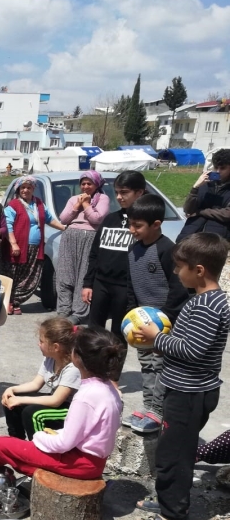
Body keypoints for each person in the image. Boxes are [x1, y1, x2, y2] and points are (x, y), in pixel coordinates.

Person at [132, 234, 230, 520]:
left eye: (180, 267)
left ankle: (173, 516)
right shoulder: (204, 300)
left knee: (176, 456)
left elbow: (192, 350)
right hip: (183, 389)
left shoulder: (207, 306)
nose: (176, 272)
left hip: (190, 393)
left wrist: (156, 338)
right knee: (169, 450)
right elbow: (188, 343)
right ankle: (165, 501)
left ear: (199, 270)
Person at [0, 327, 124, 480]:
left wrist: (38, 437)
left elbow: (64, 443)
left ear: (77, 357)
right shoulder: (109, 388)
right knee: (19, 447)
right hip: (93, 462)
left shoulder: (86, 396)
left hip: (78, 463)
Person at [123, 194, 189, 433]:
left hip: (163, 326)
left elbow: (178, 288)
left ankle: (158, 412)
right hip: (141, 324)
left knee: (160, 366)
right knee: (146, 365)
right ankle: (148, 406)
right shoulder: (133, 250)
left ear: (156, 224)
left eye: (137, 225)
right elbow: (132, 285)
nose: (132, 230)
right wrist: (132, 313)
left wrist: (164, 319)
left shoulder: (167, 250)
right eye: (130, 224)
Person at [82, 170, 147, 340]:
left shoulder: (143, 223)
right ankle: (93, 366)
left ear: (139, 192)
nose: (119, 197)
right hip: (101, 283)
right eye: (117, 192)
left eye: (124, 192)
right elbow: (95, 253)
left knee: (119, 334)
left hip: (125, 287)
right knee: (94, 331)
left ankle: (114, 367)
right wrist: (88, 283)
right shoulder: (110, 219)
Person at [0, 317, 80, 440]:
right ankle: (16, 443)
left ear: (55, 347)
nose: (39, 344)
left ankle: (37, 450)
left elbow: (56, 400)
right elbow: (35, 384)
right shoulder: (50, 358)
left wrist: (21, 400)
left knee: (32, 414)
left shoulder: (72, 368)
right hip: (58, 403)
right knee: (11, 401)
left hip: (71, 410)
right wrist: (12, 390)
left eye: (41, 341)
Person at [5, 176, 65, 315]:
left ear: (33, 189)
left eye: (29, 187)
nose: (26, 190)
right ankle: (9, 301)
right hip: (18, 247)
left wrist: (64, 228)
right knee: (15, 275)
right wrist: (13, 244)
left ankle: (17, 301)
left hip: (36, 248)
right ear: (18, 189)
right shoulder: (13, 205)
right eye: (23, 187)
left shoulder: (38, 204)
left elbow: (49, 219)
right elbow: (8, 225)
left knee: (30, 276)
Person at [56, 170, 110, 324]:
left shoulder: (102, 198)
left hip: (90, 237)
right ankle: (64, 308)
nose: (85, 187)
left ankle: (79, 313)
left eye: (89, 183)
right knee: (65, 274)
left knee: (83, 274)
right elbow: (64, 218)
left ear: (96, 184)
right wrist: (77, 204)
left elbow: (97, 218)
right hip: (70, 237)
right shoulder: (74, 198)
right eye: (83, 184)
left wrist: (86, 204)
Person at [177, 148, 230, 240]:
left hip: (216, 242)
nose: (218, 171)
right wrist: (195, 188)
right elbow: (188, 210)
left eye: (222, 168)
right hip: (189, 237)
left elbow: (227, 214)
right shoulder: (205, 183)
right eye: (216, 167)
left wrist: (199, 212)